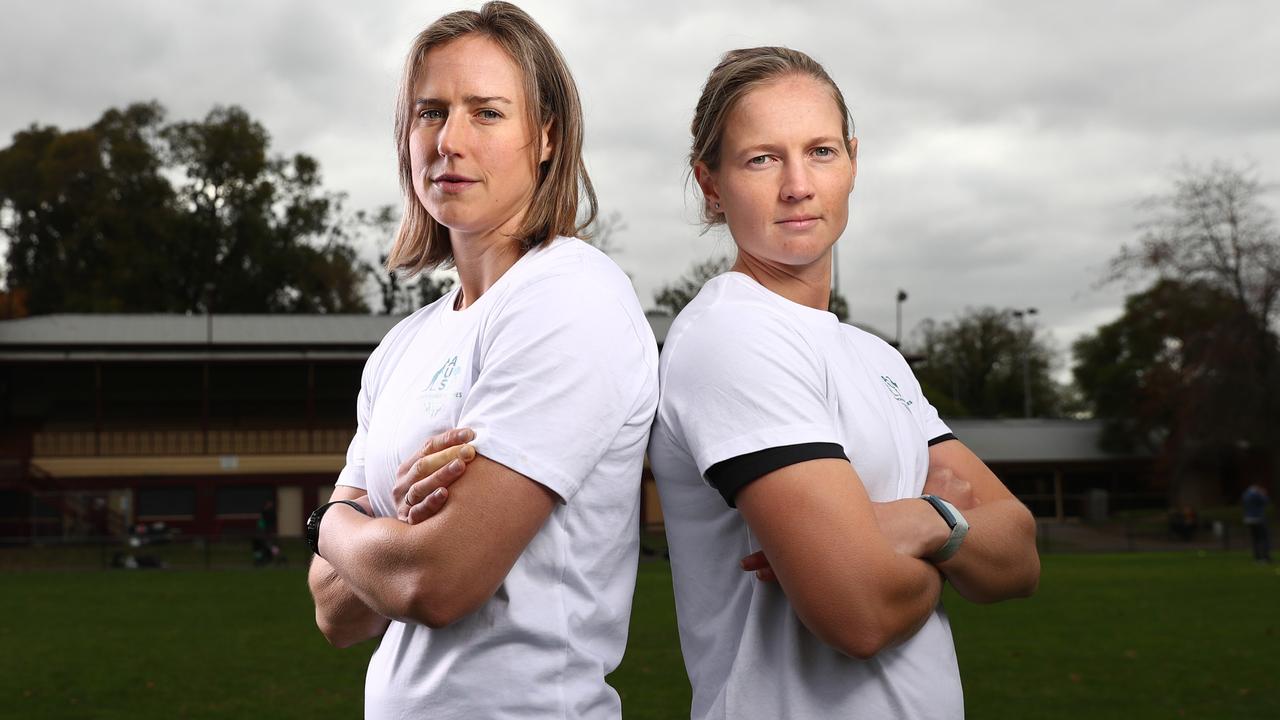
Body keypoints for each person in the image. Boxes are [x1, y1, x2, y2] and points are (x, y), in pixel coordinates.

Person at [648, 47, 1041, 719]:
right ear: (711, 184)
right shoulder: (731, 336)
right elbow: (858, 613)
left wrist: (919, 521)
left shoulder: (876, 359)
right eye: (762, 158)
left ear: (853, 160)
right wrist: (950, 532)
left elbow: (1020, 556)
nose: (798, 184)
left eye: (821, 151)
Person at [304, 4, 658, 718]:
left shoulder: (571, 297)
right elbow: (336, 613)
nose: (450, 141)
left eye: (487, 113)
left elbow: (432, 584)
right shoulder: (404, 347)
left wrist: (331, 525)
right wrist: (390, 534)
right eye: (429, 112)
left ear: (547, 136)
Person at [1242, 481, 1271, 563]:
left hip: (1248, 519)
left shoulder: (1245, 494)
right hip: (1258, 519)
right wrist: (1263, 494)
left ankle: (1257, 557)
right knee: (1264, 538)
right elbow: (1265, 501)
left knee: (1255, 539)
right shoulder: (1256, 494)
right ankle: (1265, 557)